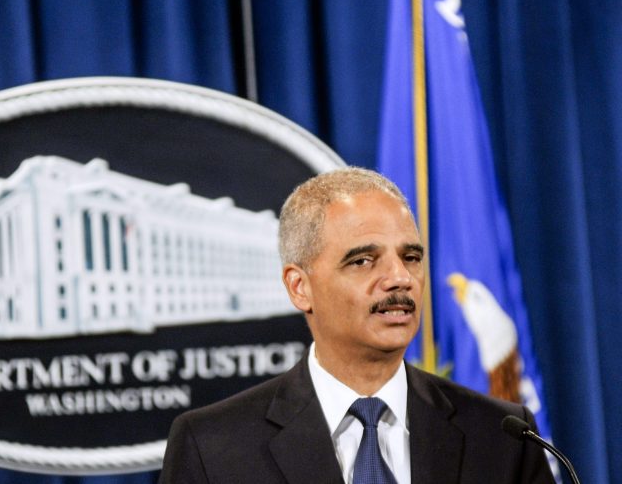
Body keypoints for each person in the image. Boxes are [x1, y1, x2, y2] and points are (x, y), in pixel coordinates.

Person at [159, 167, 554, 483]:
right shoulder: (212, 448)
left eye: (411, 257)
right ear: (300, 288)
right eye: (363, 261)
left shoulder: (504, 436)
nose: (400, 278)